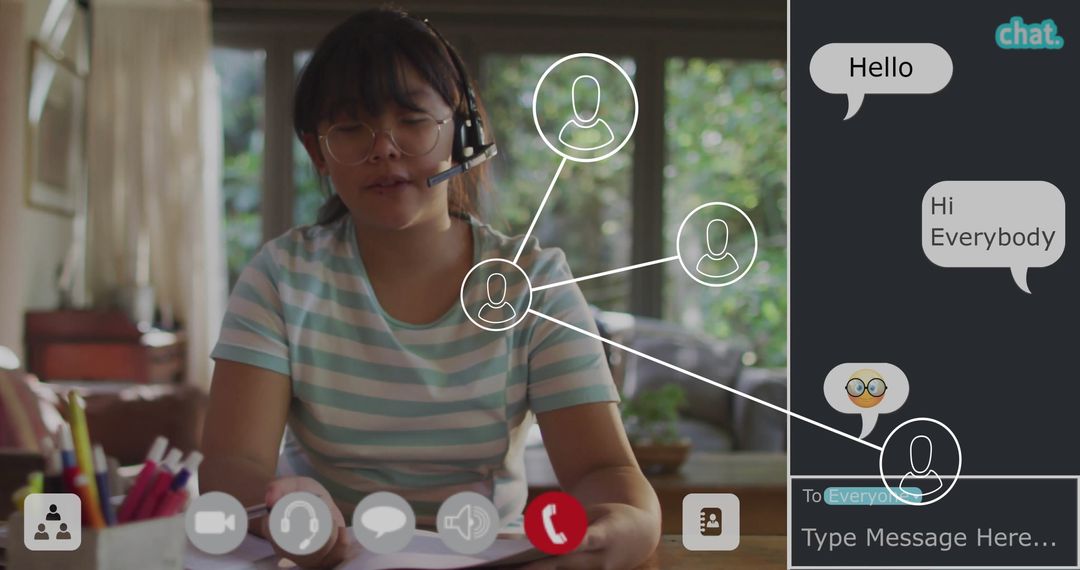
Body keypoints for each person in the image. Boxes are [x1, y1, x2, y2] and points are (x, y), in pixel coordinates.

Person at [200, 7, 661, 569]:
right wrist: (288, 516)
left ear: (462, 131)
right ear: (317, 151)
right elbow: (232, 464)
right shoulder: (280, 277)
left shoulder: (532, 282)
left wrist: (614, 533)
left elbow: (605, 475)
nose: (384, 148)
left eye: (412, 119)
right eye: (350, 128)